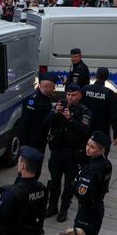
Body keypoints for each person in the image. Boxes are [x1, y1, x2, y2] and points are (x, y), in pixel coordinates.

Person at [45, 84, 92, 221]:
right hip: (56, 152)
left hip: (72, 154)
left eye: (73, 95)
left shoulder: (84, 111)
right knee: (54, 181)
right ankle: (52, 206)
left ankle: (64, 208)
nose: (70, 98)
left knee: (69, 184)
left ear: (80, 96)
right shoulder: (60, 106)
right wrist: (55, 113)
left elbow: (85, 129)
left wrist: (70, 119)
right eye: (68, 95)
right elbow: (45, 122)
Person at [73, 131, 113, 235]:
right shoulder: (106, 164)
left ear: (102, 150)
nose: (88, 149)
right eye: (87, 145)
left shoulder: (93, 169)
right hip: (98, 207)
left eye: (92, 147)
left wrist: (76, 184)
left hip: (87, 211)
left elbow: (82, 193)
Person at [16, 72, 56, 159]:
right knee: (27, 168)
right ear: (47, 86)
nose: (54, 89)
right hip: (31, 142)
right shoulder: (33, 99)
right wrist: (23, 144)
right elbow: (24, 122)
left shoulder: (47, 99)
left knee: (36, 168)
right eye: (53, 87)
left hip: (41, 141)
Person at [82, 67, 117, 146]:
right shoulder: (109, 94)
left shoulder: (85, 89)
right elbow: (114, 116)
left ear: (96, 76)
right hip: (102, 132)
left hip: (86, 129)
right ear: (107, 78)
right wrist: (116, 134)